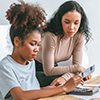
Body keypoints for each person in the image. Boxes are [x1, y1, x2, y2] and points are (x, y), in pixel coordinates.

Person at [0, 0, 84, 100]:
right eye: (32, 44)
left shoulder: (30, 63)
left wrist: (55, 87)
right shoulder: (6, 66)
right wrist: (63, 88)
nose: (37, 49)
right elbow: (20, 96)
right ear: (17, 42)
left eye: (38, 44)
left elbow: (34, 91)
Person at [35, 0, 92, 87]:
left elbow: (77, 66)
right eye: (67, 22)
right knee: (73, 79)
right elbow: (49, 71)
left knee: (76, 78)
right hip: (37, 70)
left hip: (55, 70)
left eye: (76, 23)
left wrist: (65, 78)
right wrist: (78, 69)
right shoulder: (50, 36)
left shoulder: (79, 36)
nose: (72, 28)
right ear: (60, 20)